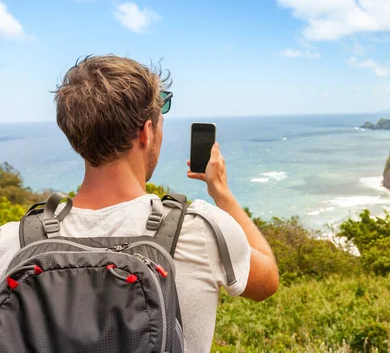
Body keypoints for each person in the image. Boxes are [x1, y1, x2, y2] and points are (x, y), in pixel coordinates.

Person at [0, 55, 279, 352]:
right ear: (146, 132)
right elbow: (267, 281)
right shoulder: (199, 230)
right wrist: (221, 191)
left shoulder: (13, 243)